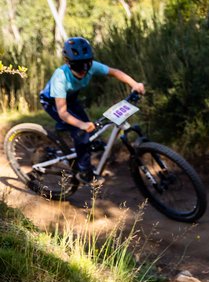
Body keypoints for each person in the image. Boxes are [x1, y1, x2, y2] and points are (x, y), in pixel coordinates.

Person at [40, 37, 146, 184]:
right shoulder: (60, 77)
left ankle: (83, 149)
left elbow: (114, 72)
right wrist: (81, 125)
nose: (83, 70)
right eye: (78, 66)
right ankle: (84, 172)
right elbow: (63, 113)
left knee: (91, 129)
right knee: (82, 132)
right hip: (53, 102)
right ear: (68, 63)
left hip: (70, 99)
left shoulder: (91, 66)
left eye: (87, 64)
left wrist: (134, 84)